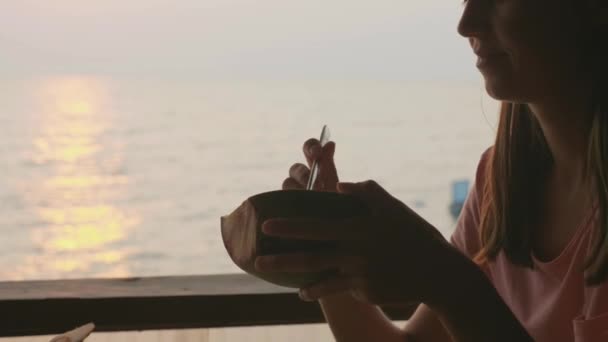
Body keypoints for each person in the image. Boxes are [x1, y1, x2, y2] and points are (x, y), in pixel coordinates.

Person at [254, 0, 608, 341]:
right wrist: (328, 245)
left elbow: (452, 292)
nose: (465, 24)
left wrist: (448, 282)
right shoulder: (500, 180)